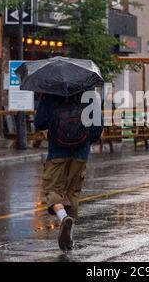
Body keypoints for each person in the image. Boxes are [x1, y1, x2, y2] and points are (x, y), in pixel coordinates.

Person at [35, 92, 103, 251]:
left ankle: (63, 217)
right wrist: (85, 139)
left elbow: (39, 123)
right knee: (72, 193)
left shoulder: (51, 93)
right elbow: (97, 129)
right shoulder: (89, 94)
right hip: (81, 152)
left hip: (56, 151)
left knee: (52, 189)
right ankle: (69, 237)